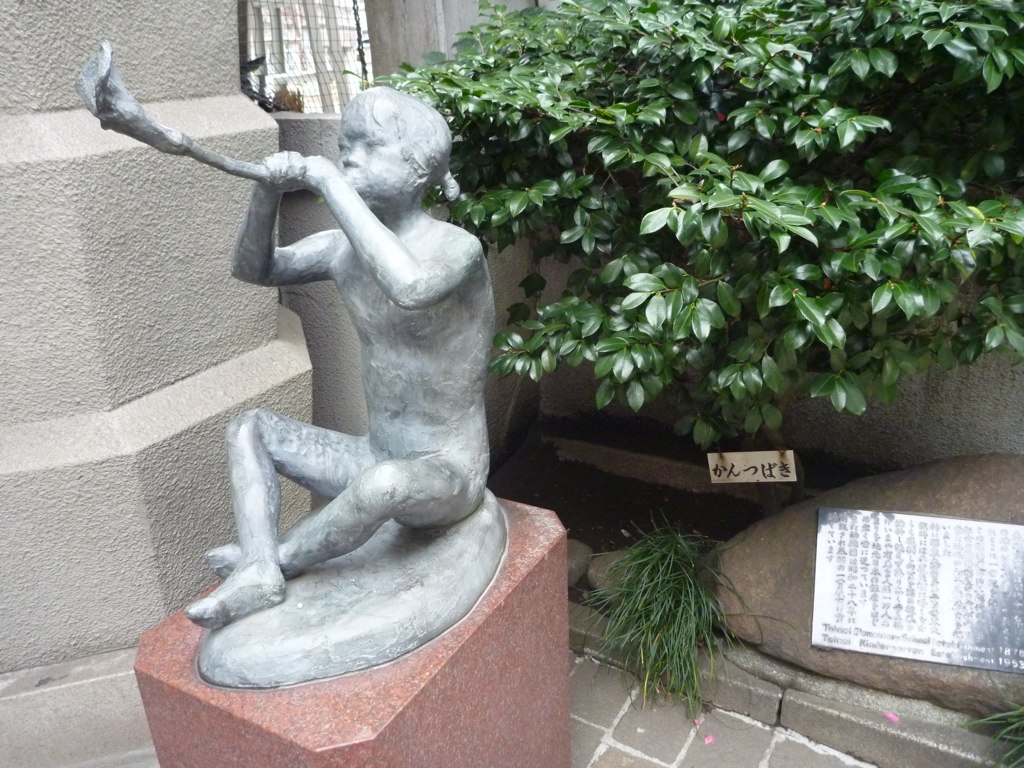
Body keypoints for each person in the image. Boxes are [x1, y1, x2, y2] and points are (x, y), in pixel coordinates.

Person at [185, 87, 494, 630]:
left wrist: (327, 180)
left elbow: (409, 284)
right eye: (343, 145)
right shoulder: (339, 248)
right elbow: (255, 269)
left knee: (384, 486)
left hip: (446, 473)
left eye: (369, 146)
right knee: (249, 429)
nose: (348, 155)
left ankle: (272, 560)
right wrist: (266, 192)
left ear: (420, 167)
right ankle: (260, 569)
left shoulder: (457, 249)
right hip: (375, 455)